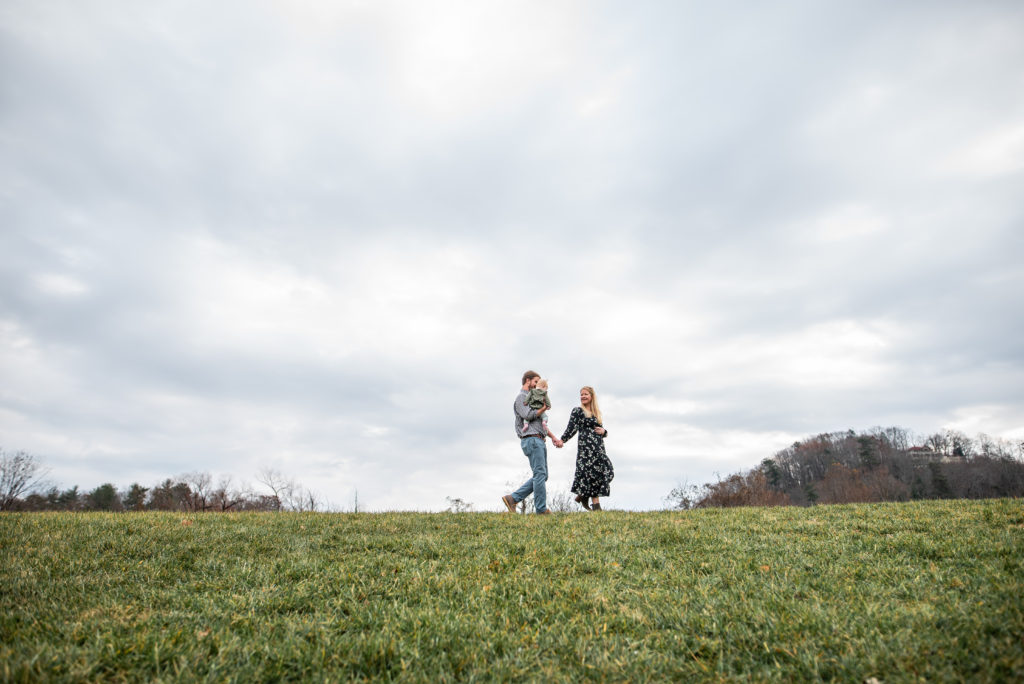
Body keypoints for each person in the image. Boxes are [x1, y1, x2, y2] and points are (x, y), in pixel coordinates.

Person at [503, 371, 563, 515]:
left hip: (538, 438)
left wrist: (553, 437)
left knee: (542, 475)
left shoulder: (534, 398)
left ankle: (512, 499)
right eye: (536, 382)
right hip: (531, 439)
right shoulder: (521, 398)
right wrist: (543, 408)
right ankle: (541, 510)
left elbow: (539, 423)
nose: (538, 385)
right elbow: (528, 415)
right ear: (528, 381)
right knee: (540, 474)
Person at [559, 385, 614, 511]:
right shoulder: (578, 411)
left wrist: (604, 432)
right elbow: (571, 428)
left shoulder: (596, 413)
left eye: (585, 394)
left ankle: (583, 495)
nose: (583, 396)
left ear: (591, 396)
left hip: (598, 448)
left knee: (607, 472)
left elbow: (601, 430)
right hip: (586, 450)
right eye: (581, 394)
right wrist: (562, 440)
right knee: (592, 475)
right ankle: (596, 506)